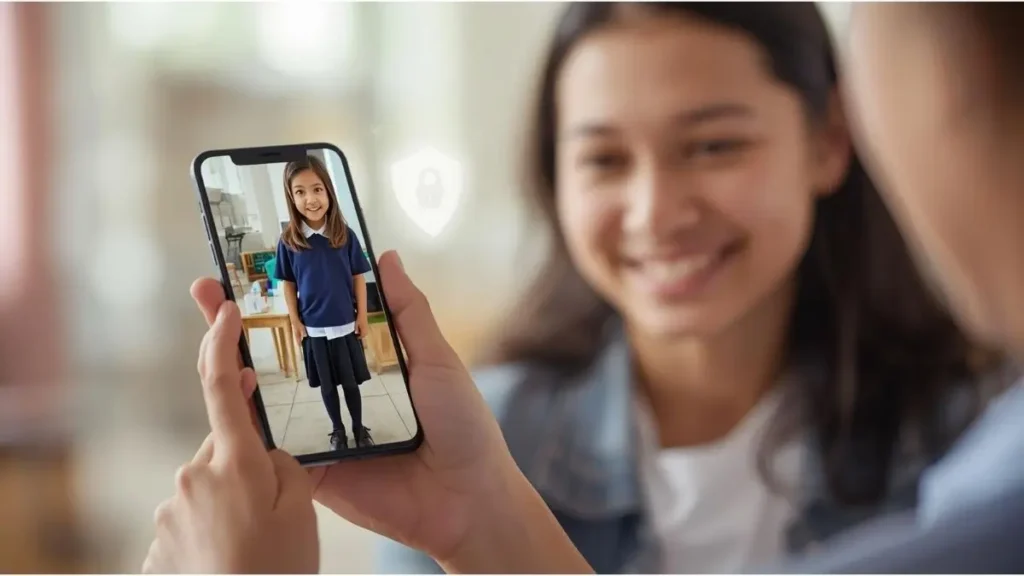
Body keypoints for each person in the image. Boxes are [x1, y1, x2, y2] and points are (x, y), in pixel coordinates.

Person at [142, 2, 1024, 574]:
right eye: (604, 158)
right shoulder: (482, 442)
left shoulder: (971, 438)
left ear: (832, 140)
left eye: (714, 145)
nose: (655, 210)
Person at [275, 155, 375, 450]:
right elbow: (289, 284)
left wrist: (363, 316)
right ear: (291, 198)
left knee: (350, 383)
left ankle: (359, 427)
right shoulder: (289, 240)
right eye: (300, 192)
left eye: (317, 189)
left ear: (329, 191)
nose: (311, 199)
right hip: (313, 329)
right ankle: (338, 430)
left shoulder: (345, 235)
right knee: (328, 387)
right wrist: (295, 320)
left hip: (346, 324)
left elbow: (358, 276)